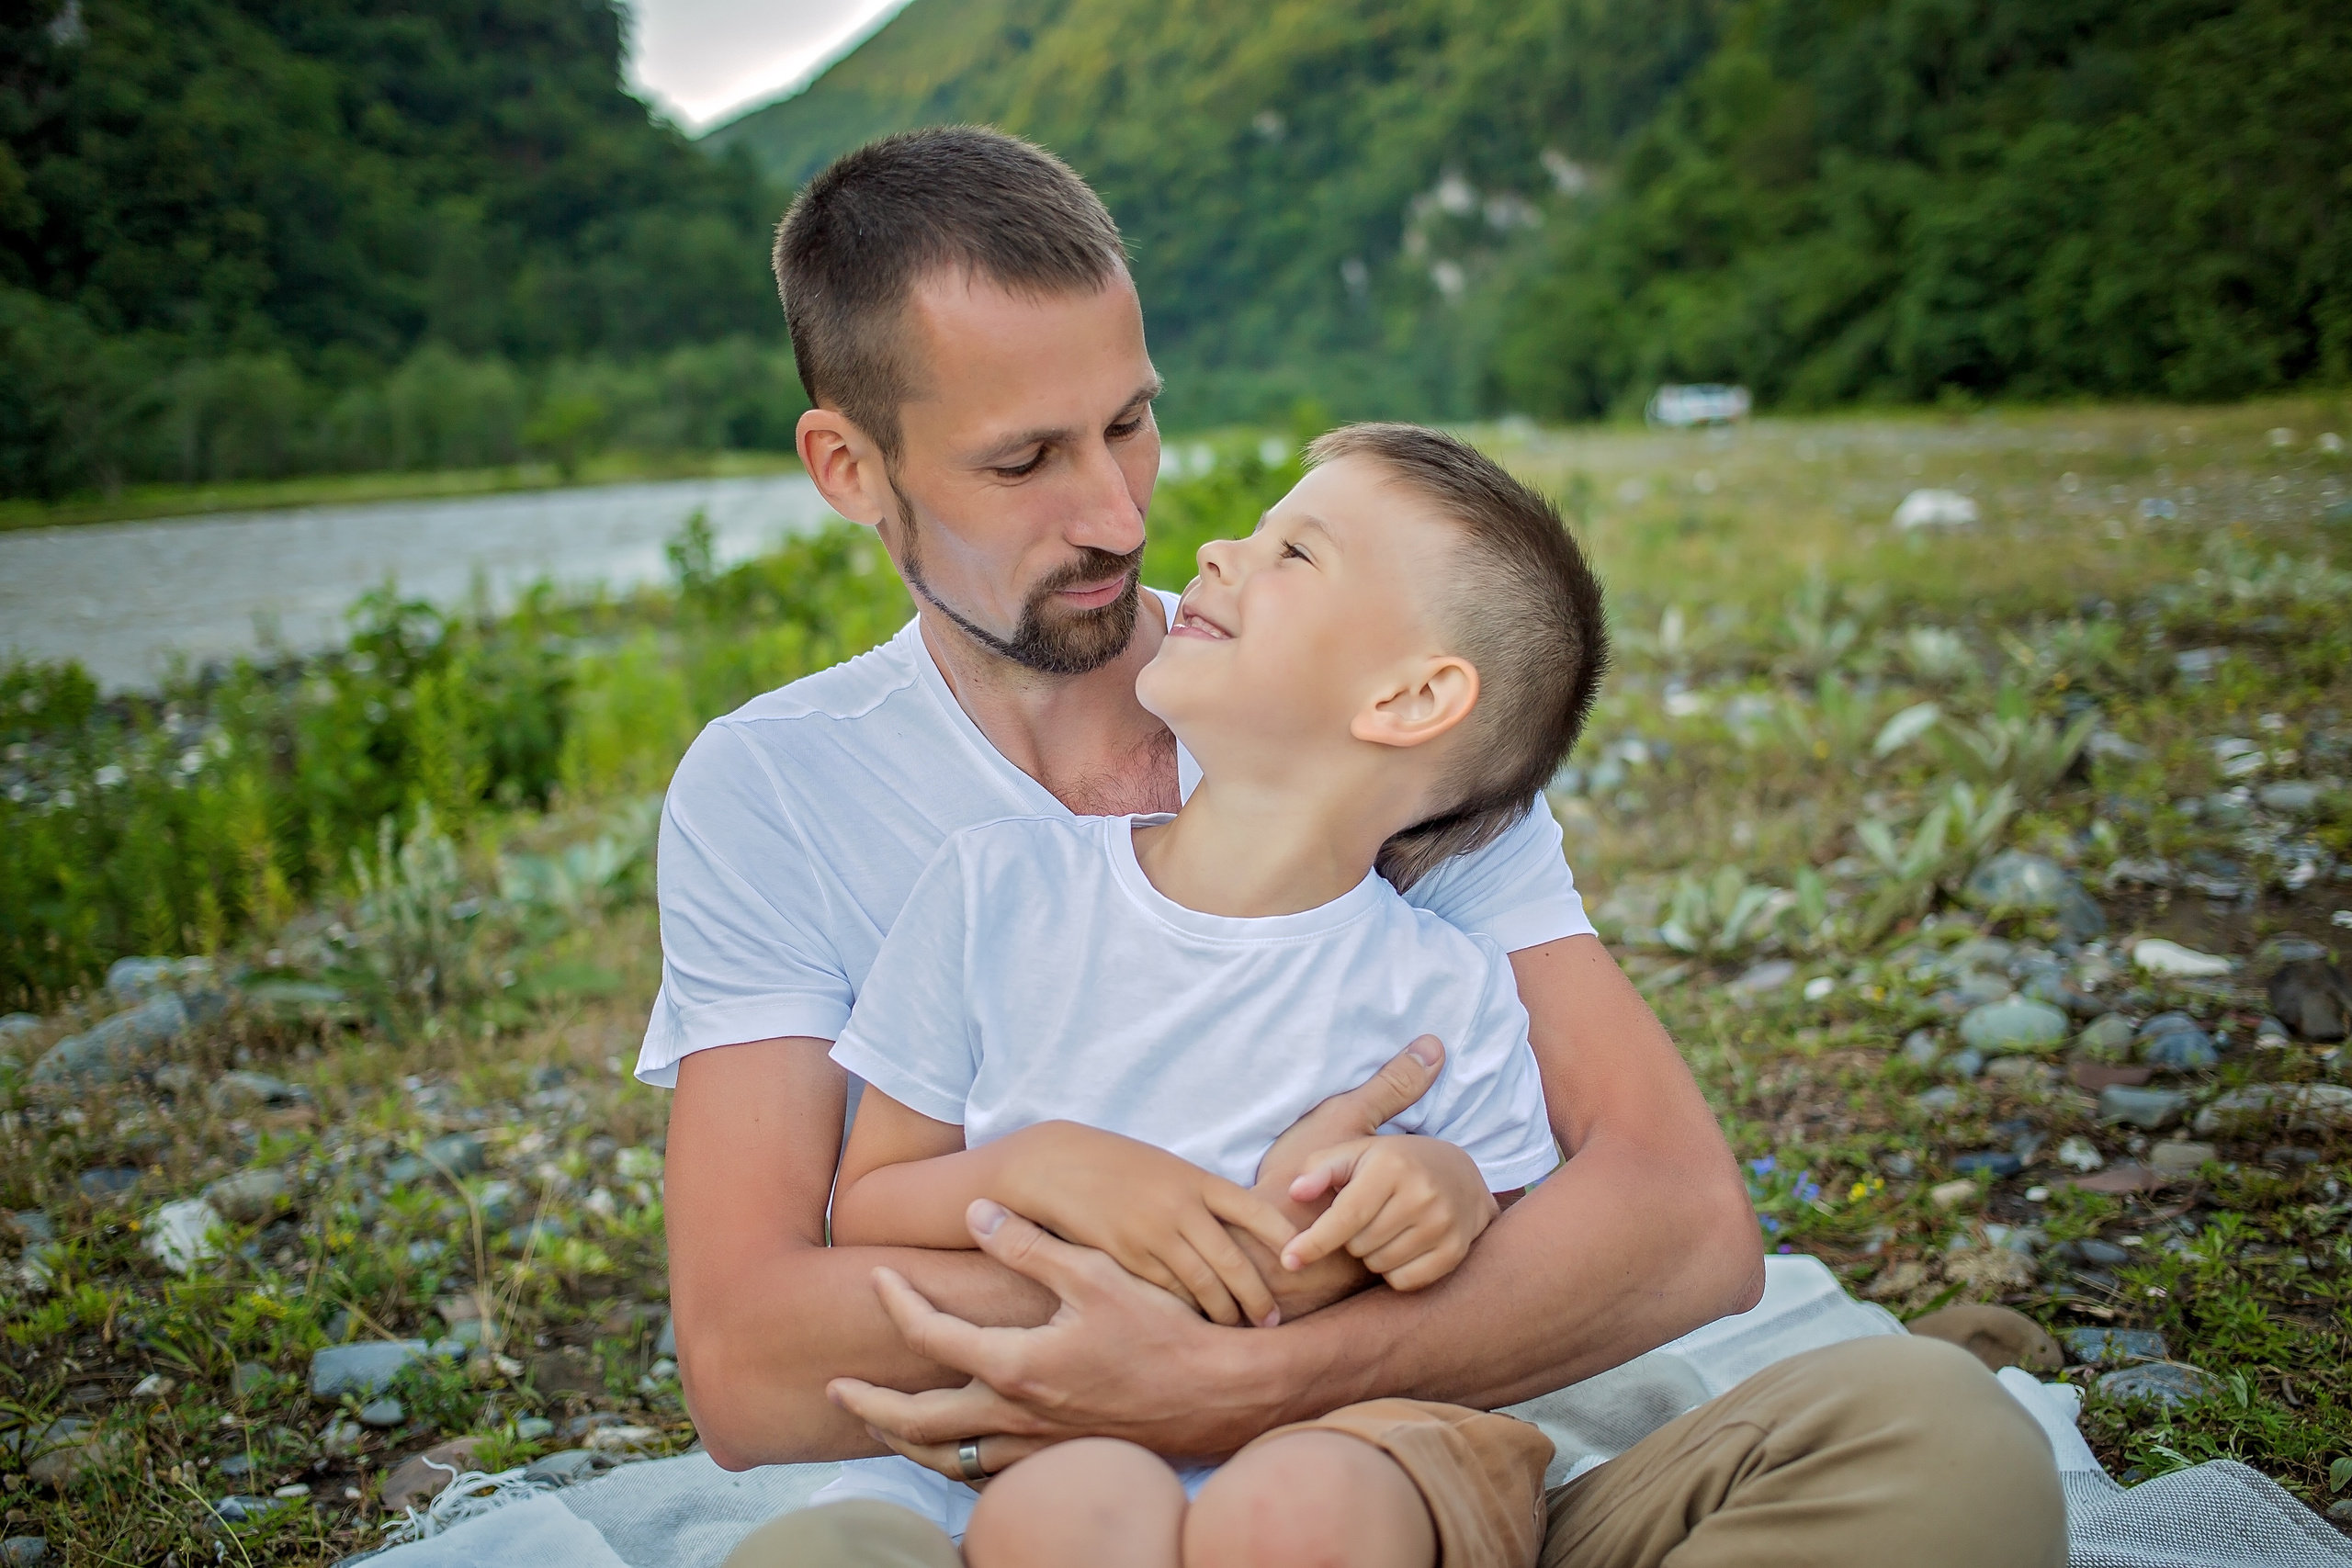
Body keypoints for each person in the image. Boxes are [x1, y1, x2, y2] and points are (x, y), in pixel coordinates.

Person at [651, 125, 2068, 1568]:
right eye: (1024, 459)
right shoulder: (780, 791)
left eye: (1131, 422)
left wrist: (1239, 1371)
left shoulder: (1345, 720)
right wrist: (1221, 1265)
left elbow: (1680, 1221)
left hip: (1372, 1488)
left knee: (1944, 1438)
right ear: (849, 466)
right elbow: (753, 1357)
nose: (1124, 517)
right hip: (1021, 1512)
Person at [813, 423, 1599, 1566]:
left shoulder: (1448, 989)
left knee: (1306, 1506)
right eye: (1254, 532)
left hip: (1327, 1434)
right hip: (1051, 1445)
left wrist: (1444, 1191)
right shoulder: (999, 893)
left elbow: (1510, 1242)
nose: (1217, 551)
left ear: (1411, 697)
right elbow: (869, 1207)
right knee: (1075, 1509)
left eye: (1296, 553)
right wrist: (1040, 1167)